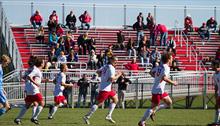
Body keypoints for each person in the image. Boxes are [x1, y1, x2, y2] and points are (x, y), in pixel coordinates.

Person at [138, 53, 178, 126]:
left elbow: (151, 72)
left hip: (160, 90)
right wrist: (173, 82)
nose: (172, 59)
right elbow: (164, 78)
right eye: (171, 58)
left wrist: (156, 77)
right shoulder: (166, 67)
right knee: (152, 107)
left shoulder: (160, 66)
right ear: (168, 59)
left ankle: (154, 111)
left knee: (169, 102)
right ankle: (142, 122)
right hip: (158, 90)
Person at [83, 56, 122, 125]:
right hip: (105, 89)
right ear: (111, 60)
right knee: (98, 104)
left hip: (107, 88)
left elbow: (97, 71)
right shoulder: (111, 68)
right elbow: (112, 79)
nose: (116, 62)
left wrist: (103, 77)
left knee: (115, 99)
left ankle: (109, 116)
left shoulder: (106, 66)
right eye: (115, 60)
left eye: (117, 61)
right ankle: (87, 116)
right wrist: (119, 75)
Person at [14, 57, 45, 125]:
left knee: (27, 105)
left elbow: (25, 77)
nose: (44, 63)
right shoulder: (36, 69)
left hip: (29, 89)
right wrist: (35, 83)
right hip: (34, 89)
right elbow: (29, 77)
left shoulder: (30, 69)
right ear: (41, 64)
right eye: (43, 62)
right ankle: (34, 118)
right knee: (42, 103)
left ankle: (18, 118)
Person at [213, 60, 220, 125]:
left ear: (215, 65)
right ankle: (216, 122)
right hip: (219, 94)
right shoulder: (214, 75)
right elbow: (216, 86)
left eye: (212, 65)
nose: (211, 66)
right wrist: (216, 94)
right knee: (217, 107)